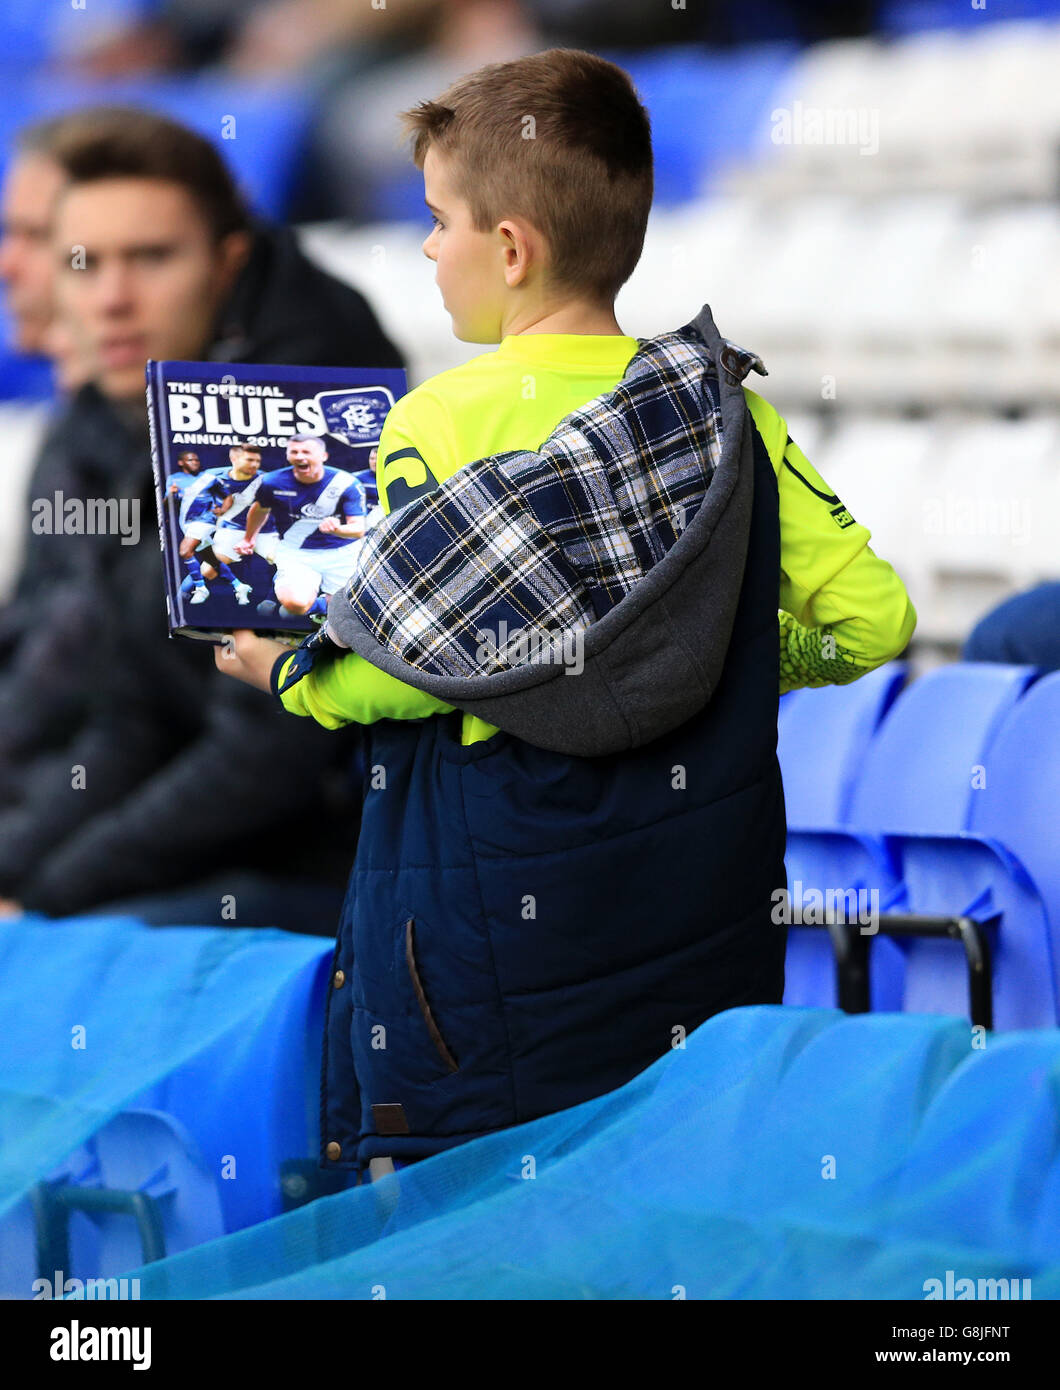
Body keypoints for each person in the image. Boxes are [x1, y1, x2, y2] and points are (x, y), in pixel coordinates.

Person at [217, 50, 916, 1178]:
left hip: (490, 899)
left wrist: (290, 678)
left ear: (509, 248)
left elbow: (412, 661)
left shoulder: (435, 422)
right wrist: (706, 654)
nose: (429, 247)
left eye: (438, 219)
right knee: (668, 1188)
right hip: (702, 896)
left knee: (490, 1216)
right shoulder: (726, 409)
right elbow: (874, 622)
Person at [0, 106, 403, 926]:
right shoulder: (115, 392)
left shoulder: (291, 420)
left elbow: (268, 756)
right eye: (83, 264)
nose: (112, 298)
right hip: (168, 828)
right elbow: (116, 702)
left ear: (228, 262)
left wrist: (37, 900)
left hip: (316, 866)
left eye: (151, 259)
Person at [235, 433, 366, 618]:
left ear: (323, 456)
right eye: (294, 452)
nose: (300, 456)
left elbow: (358, 529)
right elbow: (259, 510)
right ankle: (310, 608)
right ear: (288, 455)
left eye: (306, 451)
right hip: (296, 552)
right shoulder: (272, 482)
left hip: (342, 553)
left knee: (350, 611)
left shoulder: (346, 483)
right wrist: (248, 539)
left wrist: (337, 529)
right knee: (295, 605)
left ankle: (324, 607)